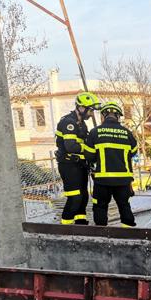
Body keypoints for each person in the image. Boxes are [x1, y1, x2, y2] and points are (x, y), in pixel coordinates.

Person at [84, 101, 138, 227]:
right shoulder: (127, 133)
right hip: (123, 180)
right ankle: (128, 233)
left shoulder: (95, 132)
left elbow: (90, 156)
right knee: (124, 206)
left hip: (102, 180)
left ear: (103, 116)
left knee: (100, 207)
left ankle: (102, 236)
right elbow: (133, 153)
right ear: (118, 117)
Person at [55, 91, 101, 225]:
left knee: (83, 197)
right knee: (75, 197)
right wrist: (89, 151)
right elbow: (71, 146)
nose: (91, 114)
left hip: (80, 165)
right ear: (81, 108)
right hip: (69, 165)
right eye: (90, 110)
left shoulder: (81, 123)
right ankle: (66, 227)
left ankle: (81, 224)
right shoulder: (68, 122)